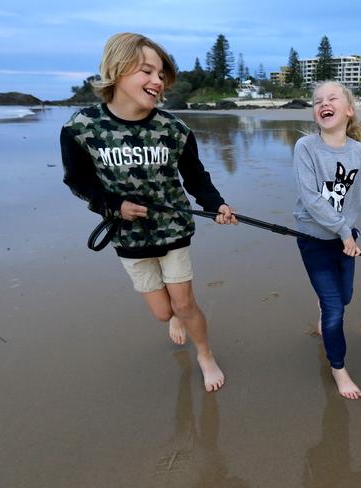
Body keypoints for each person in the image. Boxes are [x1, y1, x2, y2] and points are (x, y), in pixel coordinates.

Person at [61, 33, 237, 392]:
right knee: (163, 312)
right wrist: (113, 206)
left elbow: (196, 178)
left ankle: (205, 354)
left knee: (185, 304)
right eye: (147, 71)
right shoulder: (80, 129)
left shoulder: (173, 129)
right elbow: (77, 180)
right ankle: (173, 319)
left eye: (161, 75)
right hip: (126, 235)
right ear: (117, 70)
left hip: (172, 230)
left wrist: (216, 204)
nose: (157, 81)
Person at [292, 81, 361, 400]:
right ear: (315, 112)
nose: (324, 102)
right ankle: (339, 368)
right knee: (336, 309)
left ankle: (326, 310)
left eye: (332, 98)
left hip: (347, 240)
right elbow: (311, 198)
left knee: (345, 296)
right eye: (318, 100)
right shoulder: (305, 147)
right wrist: (342, 230)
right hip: (313, 239)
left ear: (348, 110)